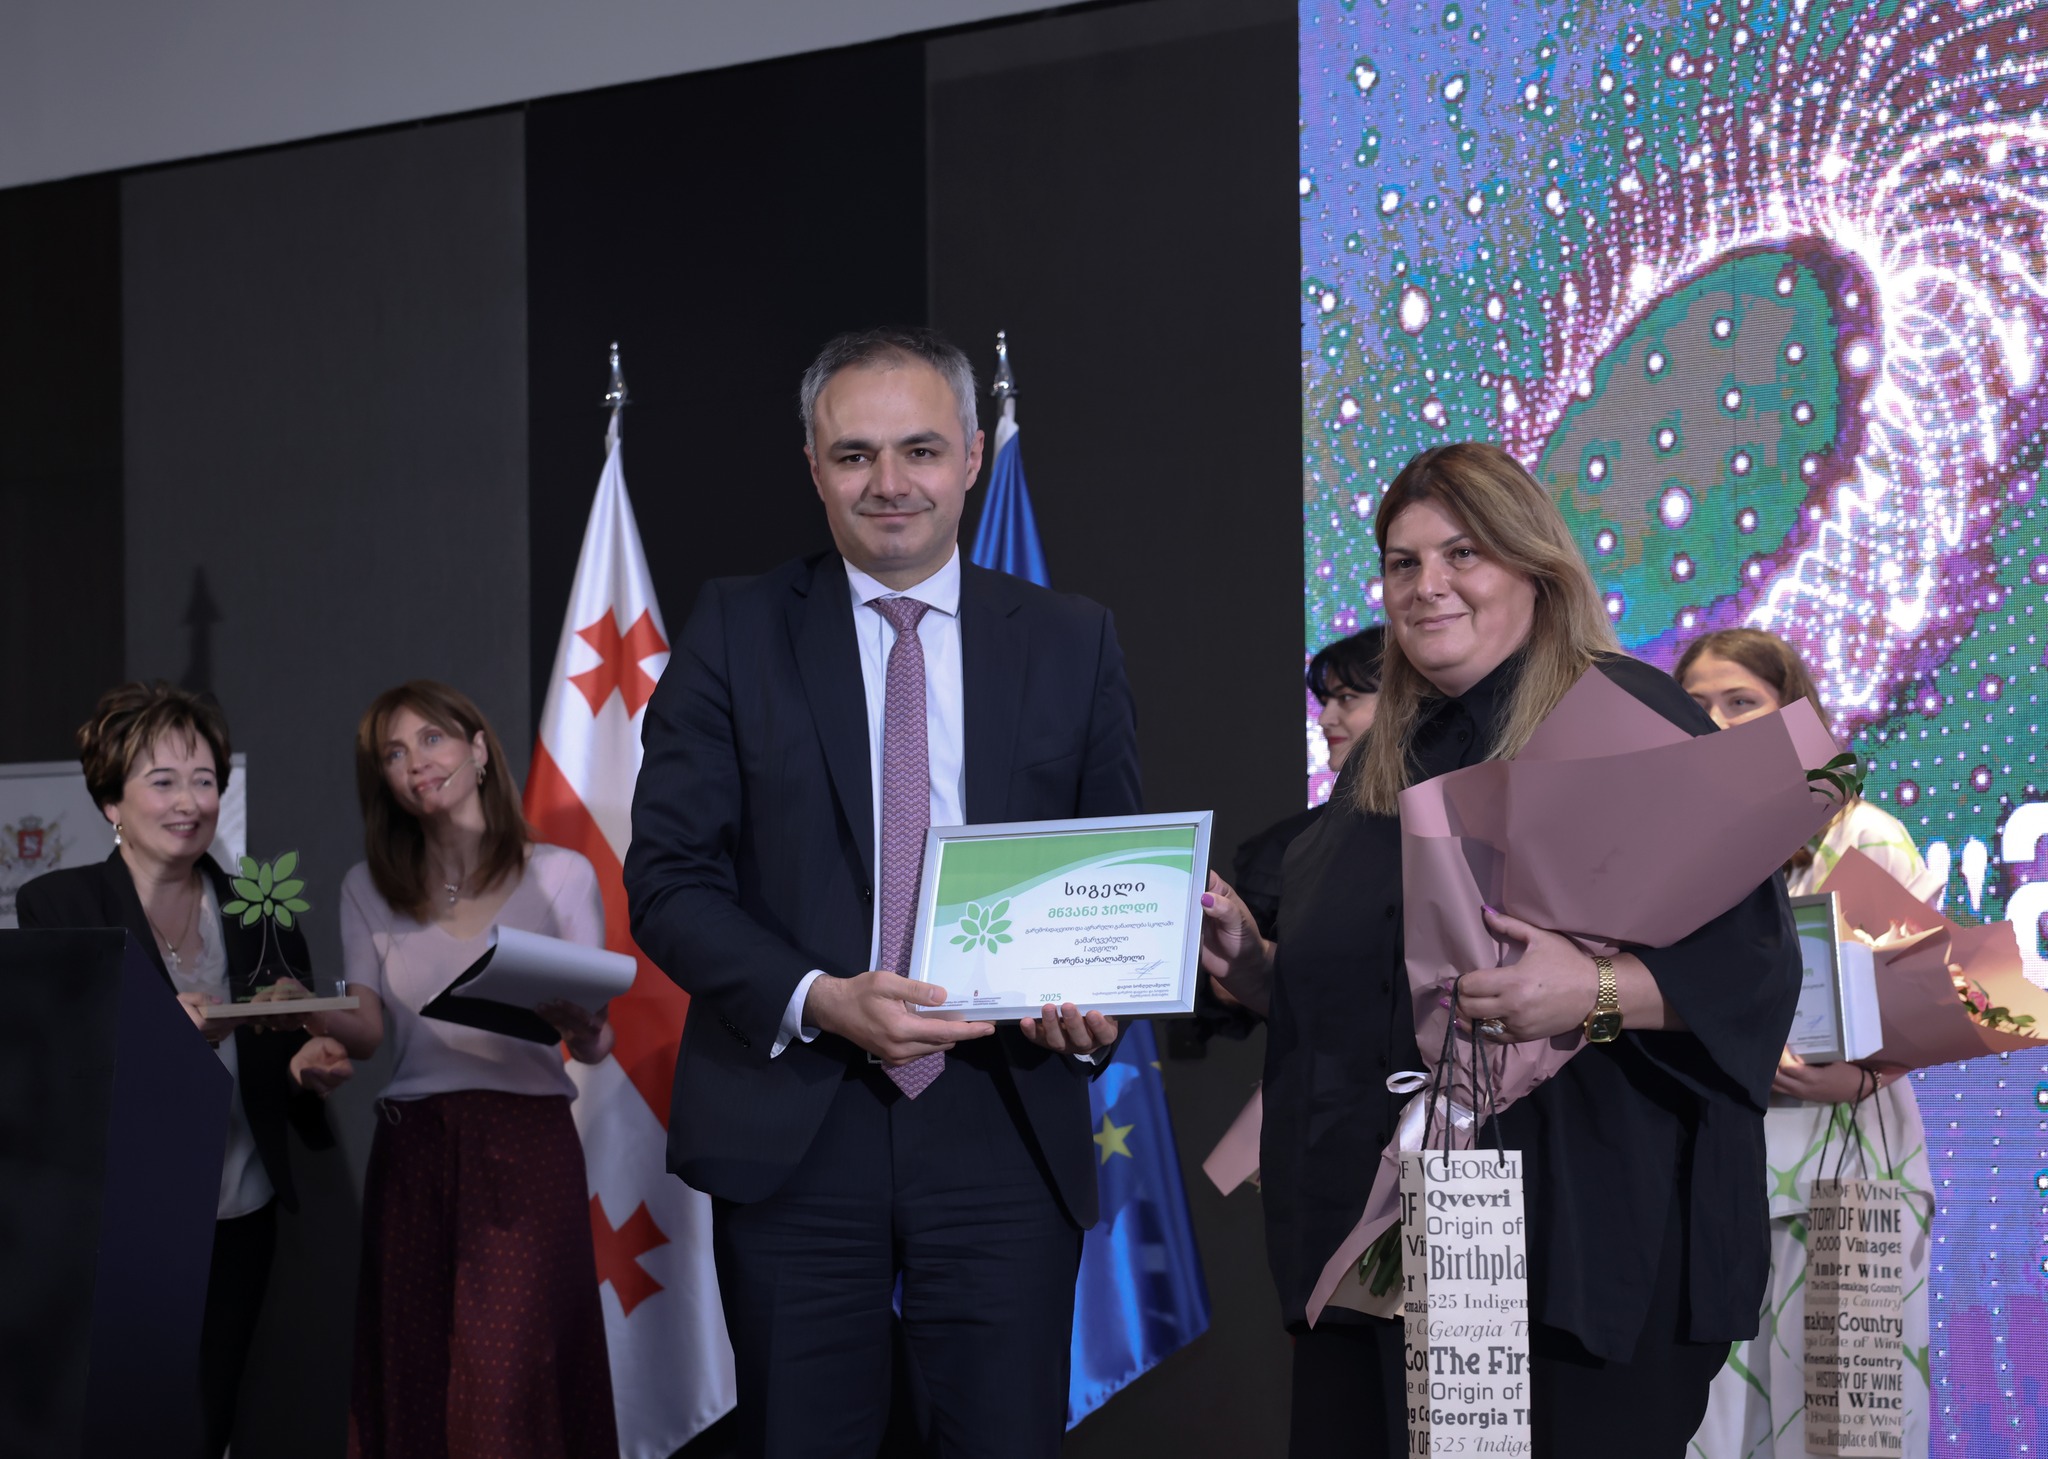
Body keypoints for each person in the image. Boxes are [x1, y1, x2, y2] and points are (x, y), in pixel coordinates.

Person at [1198, 443, 1799, 1458]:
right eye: (1402, 563)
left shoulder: (1630, 720)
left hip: (1580, 1247)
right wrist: (1259, 970)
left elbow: (1753, 967)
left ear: (1534, 566)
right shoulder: (1381, 761)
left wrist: (1595, 989)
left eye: (1461, 553)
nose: (1426, 585)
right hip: (1385, 1246)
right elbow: (1374, 985)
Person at [624, 325, 1141, 1457]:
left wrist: (1099, 1007)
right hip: (795, 1121)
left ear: (972, 455)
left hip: (1004, 1117)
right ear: (813, 468)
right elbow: (667, 877)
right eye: (854, 454)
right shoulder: (732, 630)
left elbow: (1108, 880)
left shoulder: (1071, 640)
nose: (889, 482)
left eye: (920, 449)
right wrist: (817, 995)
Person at [15, 681, 348, 1459]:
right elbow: (48, 1073)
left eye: (204, 780)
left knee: (207, 1421)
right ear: (111, 800)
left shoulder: (262, 912)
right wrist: (156, 1037)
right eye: (163, 781)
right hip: (115, 1222)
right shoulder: (59, 906)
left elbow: (281, 1064)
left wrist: (306, 1070)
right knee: (115, 1428)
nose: (189, 801)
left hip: (238, 1216)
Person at [317, 680, 618, 1459]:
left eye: (432, 738)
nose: (415, 762)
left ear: (479, 748)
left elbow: (595, 1044)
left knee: (510, 1382)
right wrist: (295, 1006)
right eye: (393, 753)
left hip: (526, 1146)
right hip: (412, 1148)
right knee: (411, 1373)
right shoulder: (366, 885)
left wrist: (585, 1026)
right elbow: (365, 1030)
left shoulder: (561, 874)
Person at [1679, 628, 1936, 1459]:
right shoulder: (1673, 851)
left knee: (1843, 1433)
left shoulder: (1866, 835)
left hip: (1846, 1168)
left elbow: (1922, 996)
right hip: (1713, 1175)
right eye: (1696, 704)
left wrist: (1862, 1075)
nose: (1717, 719)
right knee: (1707, 1425)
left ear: (1795, 717)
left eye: (1741, 701)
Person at [1233, 626, 1384, 939]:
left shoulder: (1450, 825)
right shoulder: (1282, 850)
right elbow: (1235, 973)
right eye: (1326, 700)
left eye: (1346, 697)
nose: (1324, 719)